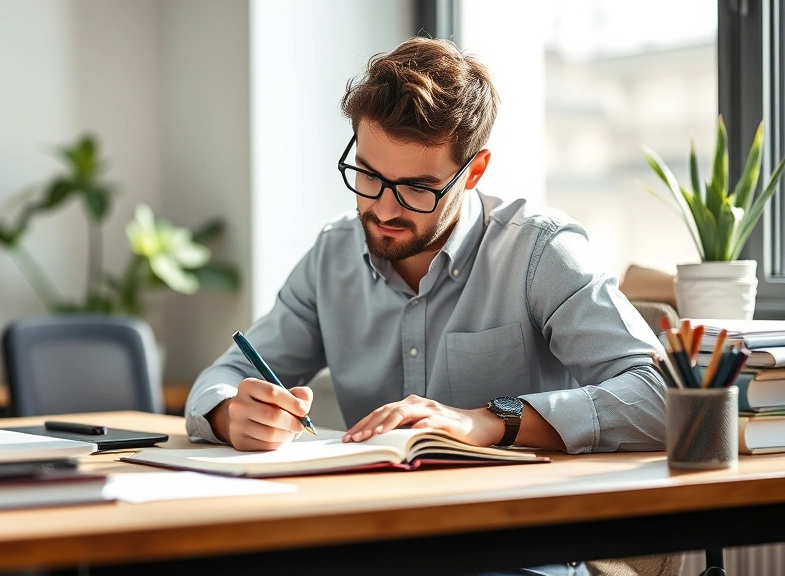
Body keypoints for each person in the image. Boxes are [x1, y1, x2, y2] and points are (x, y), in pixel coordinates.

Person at [184, 37, 667, 576]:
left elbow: (664, 396)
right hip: (377, 545)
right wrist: (231, 415)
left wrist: (489, 422)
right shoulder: (333, 255)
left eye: (418, 187)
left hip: (516, 550)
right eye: (368, 174)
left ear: (474, 171)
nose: (384, 208)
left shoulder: (538, 250)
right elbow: (225, 375)